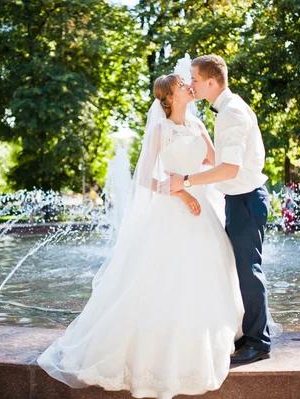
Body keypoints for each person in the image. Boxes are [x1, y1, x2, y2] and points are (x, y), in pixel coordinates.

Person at [37, 73, 245, 398]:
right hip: (172, 211)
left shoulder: (199, 126)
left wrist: (196, 184)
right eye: (182, 84)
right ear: (170, 96)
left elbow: (215, 163)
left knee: (210, 272)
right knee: (163, 281)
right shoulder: (162, 130)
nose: (189, 85)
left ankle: (211, 335)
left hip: (202, 209)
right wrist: (183, 194)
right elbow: (147, 178)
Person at [169, 54, 272, 364]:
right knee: (238, 269)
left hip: (246, 200)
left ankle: (259, 343)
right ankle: (251, 336)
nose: (192, 85)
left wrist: (184, 182)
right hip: (238, 200)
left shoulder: (232, 113)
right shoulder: (227, 110)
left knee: (248, 271)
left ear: (211, 82)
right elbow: (222, 163)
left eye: (196, 80)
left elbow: (229, 169)